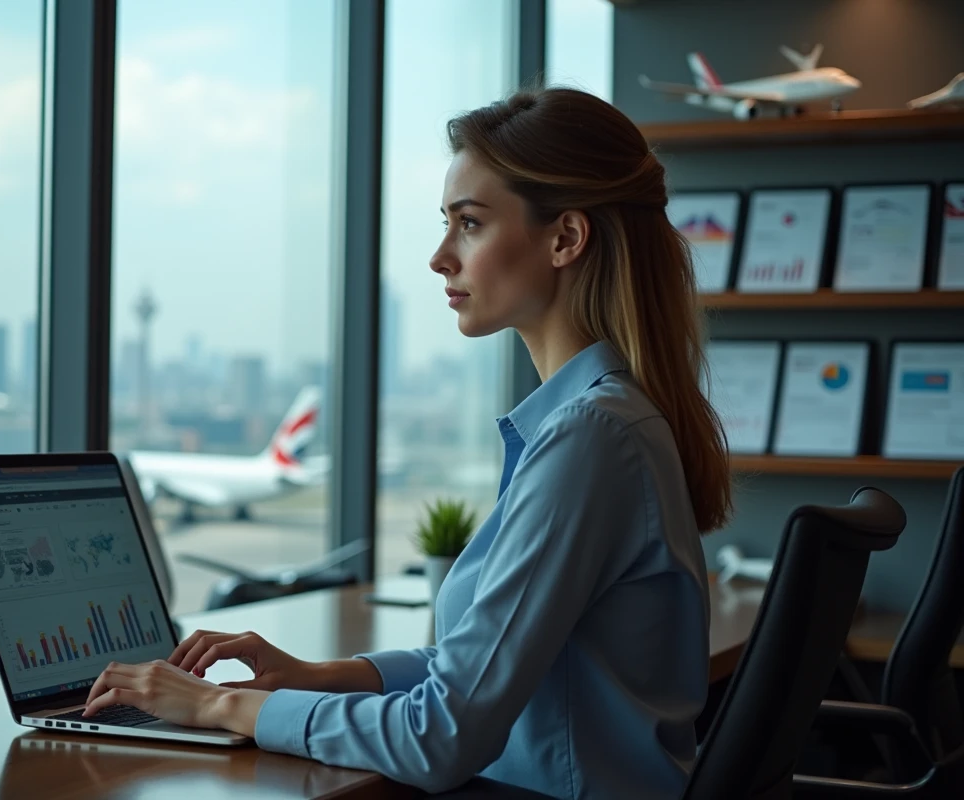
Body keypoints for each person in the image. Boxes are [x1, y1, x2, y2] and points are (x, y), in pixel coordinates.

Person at [83, 87, 732, 799]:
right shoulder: (601, 421)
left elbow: (442, 736)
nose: (439, 257)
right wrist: (317, 675)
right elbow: (482, 669)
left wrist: (217, 704)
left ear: (565, 239)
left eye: (470, 225)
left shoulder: (591, 437)